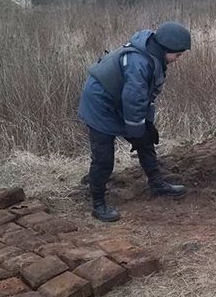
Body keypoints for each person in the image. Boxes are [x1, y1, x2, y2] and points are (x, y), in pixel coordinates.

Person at [78, 21, 191, 222]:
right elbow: (134, 96)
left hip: (121, 100)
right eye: (178, 54)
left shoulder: (155, 56)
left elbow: (146, 96)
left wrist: (145, 125)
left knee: (145, 140)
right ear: (167, 48)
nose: (179, 59)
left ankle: (157, 184)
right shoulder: (138, 61)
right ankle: (98, 203)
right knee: (103, 157)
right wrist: (136, 128)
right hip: (100, 103)